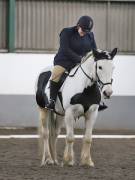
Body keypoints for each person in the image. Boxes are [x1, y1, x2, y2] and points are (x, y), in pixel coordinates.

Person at [45, 15, 107, 111]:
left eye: (87, 31)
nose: (84, 33)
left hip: (81, 62)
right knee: (56, 74)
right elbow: (65, 49)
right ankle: (52, 101)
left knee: (95, 74)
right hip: (64, 61)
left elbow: (94, 50)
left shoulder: (90, 35)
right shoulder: (66, 32)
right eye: (83, 30)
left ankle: (98, 100)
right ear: (78, 25)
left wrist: (101, 55)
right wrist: (80, 59)